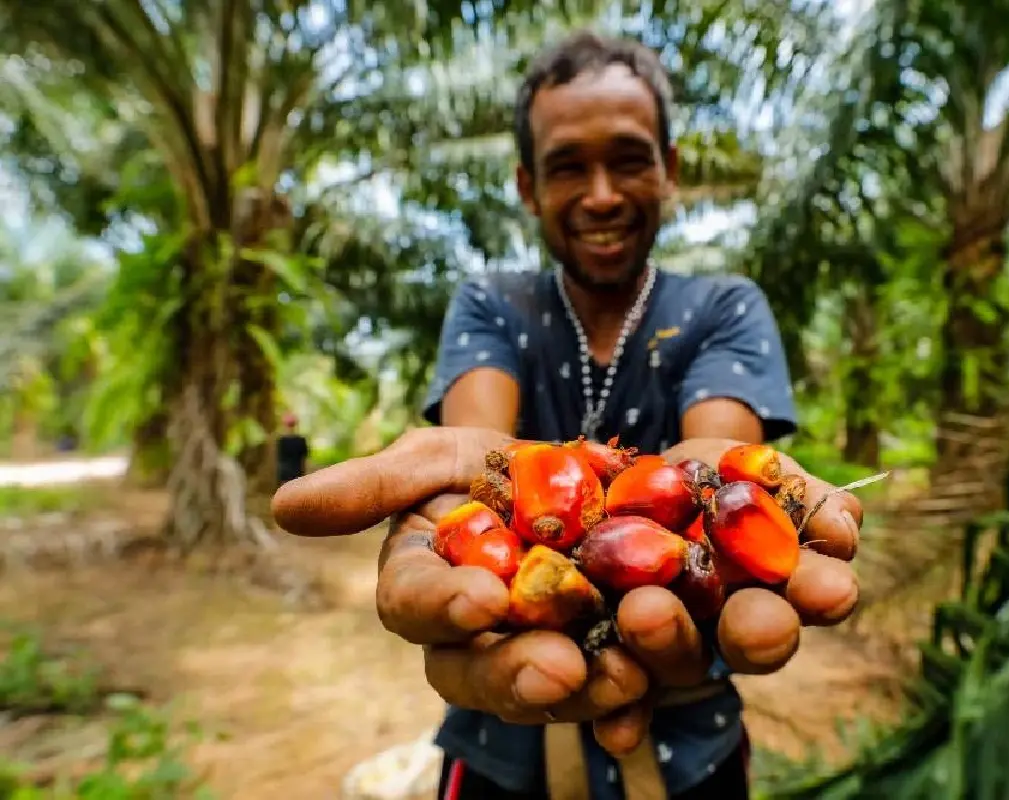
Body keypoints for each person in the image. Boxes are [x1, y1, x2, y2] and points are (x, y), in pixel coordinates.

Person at [271, 30, 863, 800]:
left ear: (670, 168)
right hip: (502, 748)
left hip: (688, 745)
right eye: (567, 168)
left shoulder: (723, 306)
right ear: (527, 187)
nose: (603, 194)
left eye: (627, 160)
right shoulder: (493, 303)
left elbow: (716, 459)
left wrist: (704, 483)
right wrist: (478, 488)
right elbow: (490, 455)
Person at [275, 412, 309, 487]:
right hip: (295, 473)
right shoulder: (301, 440)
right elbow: (304, 460)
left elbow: (280, 460)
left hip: (289, 474)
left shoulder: (282, 440)